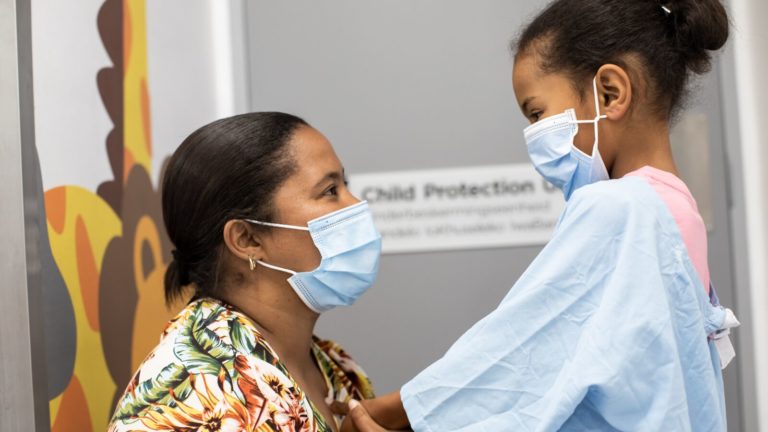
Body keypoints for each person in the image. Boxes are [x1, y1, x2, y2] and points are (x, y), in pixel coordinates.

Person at [337, 0, 739, 430]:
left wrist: (382, 411)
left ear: (611, 92)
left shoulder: (622, 209)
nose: (533, 136)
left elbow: (519, 351)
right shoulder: (678, 210)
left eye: (537, 113)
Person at [108, 112, 381, 432]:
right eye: (330, 191)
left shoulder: (331, 365)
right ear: (247, 239)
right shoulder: (200, 396)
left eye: (344, 185)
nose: (356, 204)